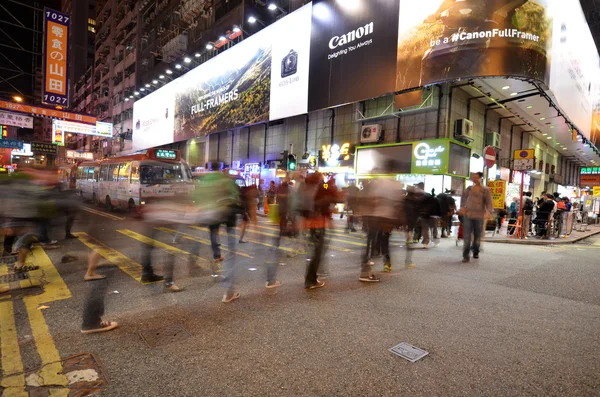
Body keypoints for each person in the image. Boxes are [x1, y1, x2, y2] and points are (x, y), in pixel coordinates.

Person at [458, 172, 493, 262]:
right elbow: (463, 200)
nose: (474, 179)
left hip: (479, 215)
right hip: (468, 215)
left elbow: (489, 202)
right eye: (473, 177)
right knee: (467, 236)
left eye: (476, 177)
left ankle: (476, 251)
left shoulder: (485, 190)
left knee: (477, 235)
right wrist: (462, 208)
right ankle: (466, 255)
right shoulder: (468, 189)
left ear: (480, 178)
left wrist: (488, 212)